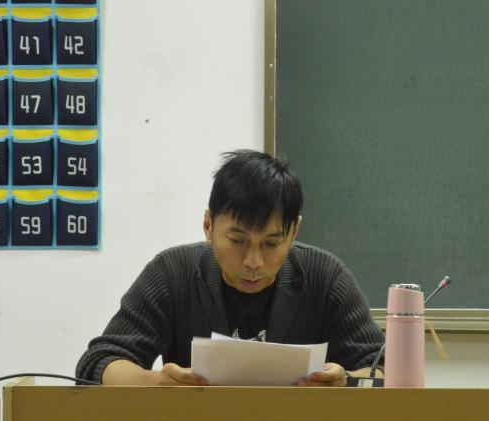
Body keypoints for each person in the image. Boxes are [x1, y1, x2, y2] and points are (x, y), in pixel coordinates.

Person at [76, 149, 384, 387]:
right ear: (208, 225)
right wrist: (155, 382)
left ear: (294, 232)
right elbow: (98, 363)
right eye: (237, 241)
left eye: (271, 244)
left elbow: (385, 369)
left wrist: (347, 381)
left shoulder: (326, 278)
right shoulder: (172, 273)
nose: (253, 262)